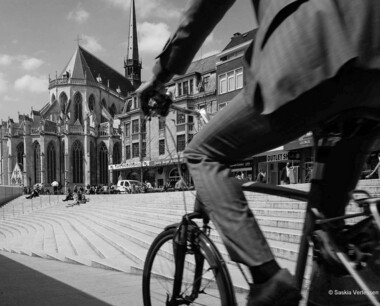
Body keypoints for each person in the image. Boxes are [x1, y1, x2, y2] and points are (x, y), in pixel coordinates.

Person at [136, 1, 380, 305]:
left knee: (201, 152)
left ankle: (268, 279)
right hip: (372, 69)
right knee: (329, 239)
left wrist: (162, 74)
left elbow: (204, 9)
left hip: (311, 48)